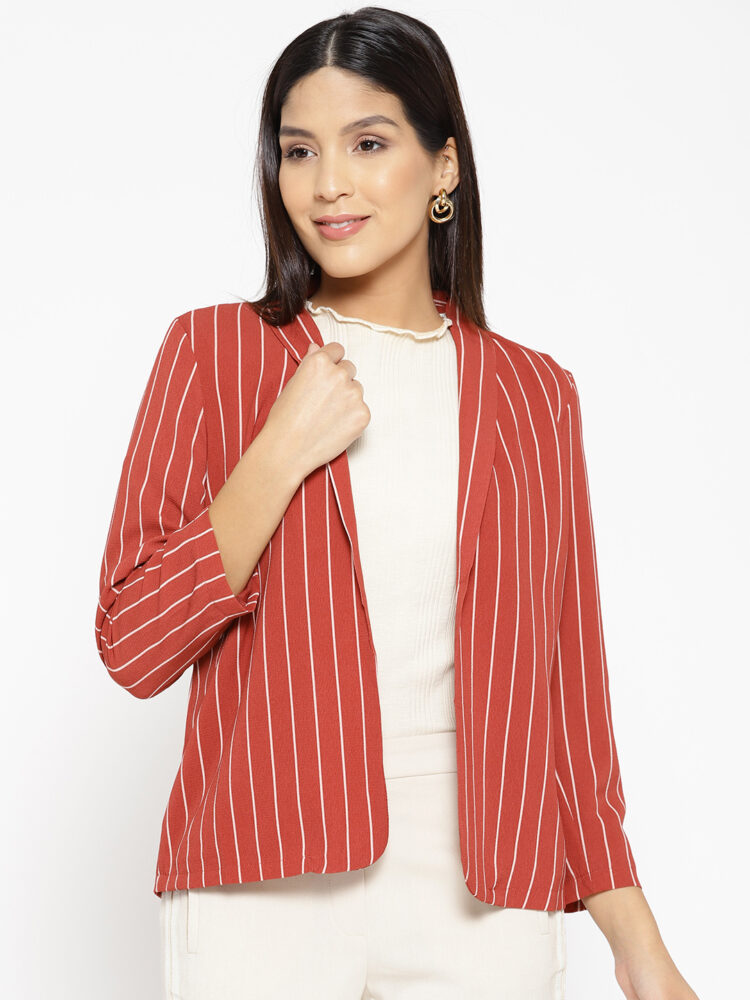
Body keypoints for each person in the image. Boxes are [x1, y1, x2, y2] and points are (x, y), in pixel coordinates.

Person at [94, 7, 699, 1000]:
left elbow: (567, 695)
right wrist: (277, 453)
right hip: (262, 880)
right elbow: (131, 643)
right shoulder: (213, 354)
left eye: (368, 143)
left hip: (485, 888)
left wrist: (637, 942)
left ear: (443, 165)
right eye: (299, 151)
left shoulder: (534, 396)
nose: (327, 183)